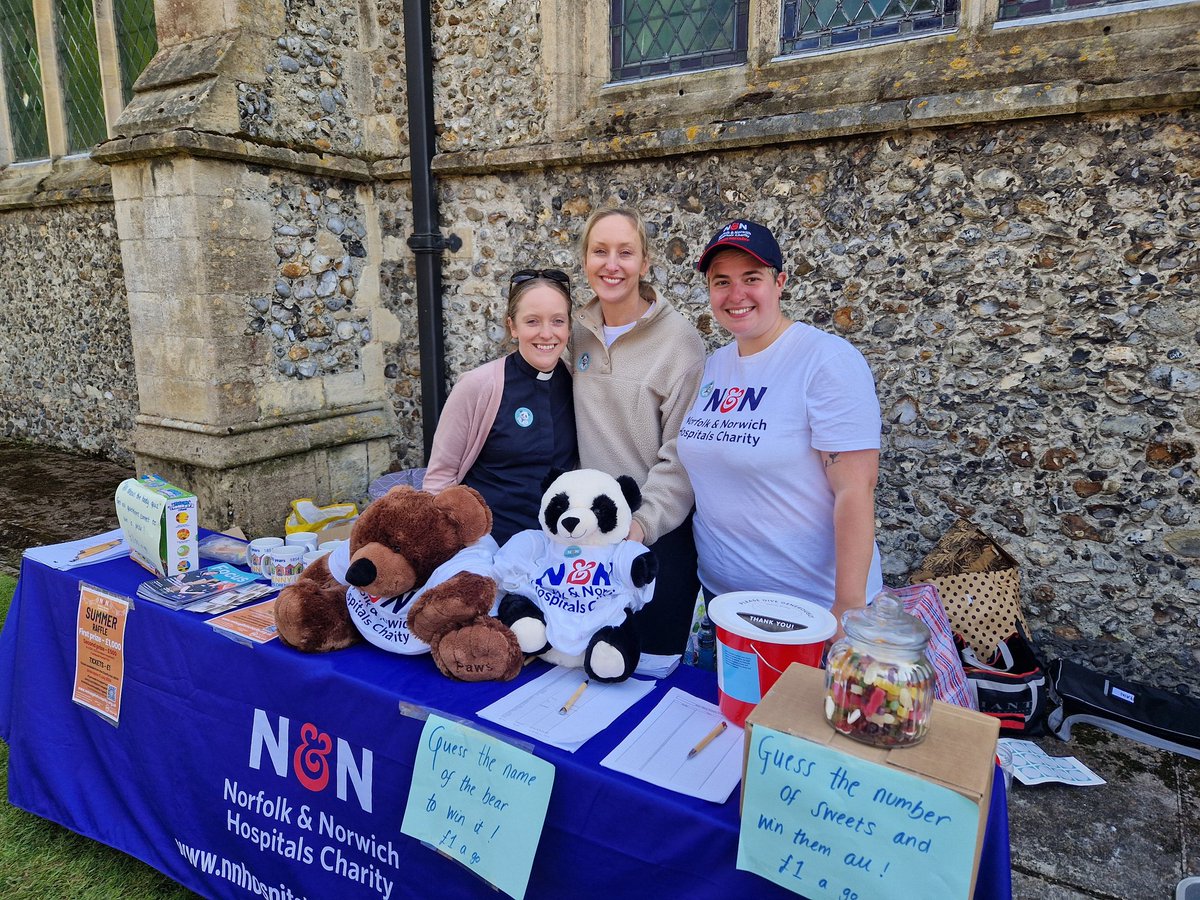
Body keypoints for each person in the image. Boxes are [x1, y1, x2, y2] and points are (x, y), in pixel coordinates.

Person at [677, 220, 883, 636]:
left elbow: (855, 490)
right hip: (722, 600)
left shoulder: (825, 360)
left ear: (780, 282)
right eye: (722, 282)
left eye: (751, 278)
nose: (736, 295)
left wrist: (847, 608)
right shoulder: (713, 366)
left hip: (810, 609)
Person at [572, 207, 706, 656]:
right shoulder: (575, 336)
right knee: (584, 665)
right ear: (585, 259)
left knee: (648, 676)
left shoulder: (680, 342)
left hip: (653, 539)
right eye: (600, 251)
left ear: (645, 263)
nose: (612, 264)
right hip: (586, 535)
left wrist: (640, 525)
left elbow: (683, 453)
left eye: (625, 252)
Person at [424, 269, 578, 545]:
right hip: (489, 545)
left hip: (560, 545)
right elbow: (439, 479)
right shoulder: (478, 386)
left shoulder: (577, 385)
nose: (547, 333)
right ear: (513, 326)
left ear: (569, 326)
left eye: (557, 321)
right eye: (532, 321)